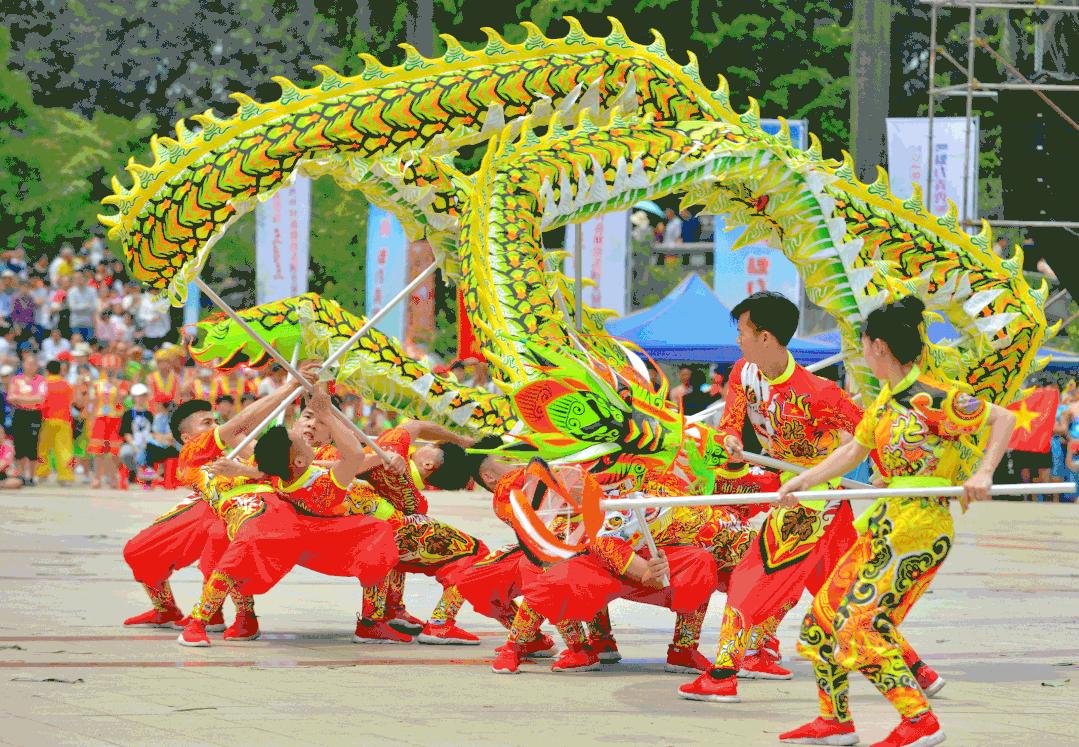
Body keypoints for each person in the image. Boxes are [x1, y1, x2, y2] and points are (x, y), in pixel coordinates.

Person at [776, 297, 1015, 747]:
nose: (862, 351)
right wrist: (801, 481)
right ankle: (835, 722)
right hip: (886, 524)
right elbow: (853, 452)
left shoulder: (928, 396)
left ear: (878, 346)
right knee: (821, 619)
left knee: (860, 628)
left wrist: (983, 473)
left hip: (919, 528)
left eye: (863, 343)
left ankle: (919, 722)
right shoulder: (886, 401)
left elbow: (1003, 417)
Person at [679, 291, 868, 702]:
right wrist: (729, 440)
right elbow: (730, 423)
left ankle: (724, 672)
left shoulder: (821, 394)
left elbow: (872, 434)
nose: (738, 341)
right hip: (785, 485)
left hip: (816, 498)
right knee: (846, 589)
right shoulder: (743, 373)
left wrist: (901, 477)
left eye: (742, 332)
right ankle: (915, 672)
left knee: (754, 575)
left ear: (765, 336)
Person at [178, 385, 399, 647]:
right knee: (227, 540)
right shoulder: (197, 456)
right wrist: (296, 388)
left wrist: (384, 457)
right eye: (307, 416)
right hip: (268, 516)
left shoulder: (315, 452)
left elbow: (344, 459)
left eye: (321, 421)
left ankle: (377, 620)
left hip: (311, 521)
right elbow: (244, 435)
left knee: (379, 533)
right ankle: (219, 618)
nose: (312, 425)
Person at [7, 351, 46, 485]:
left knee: (32, 445)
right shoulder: (16, 379)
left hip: (34, 415)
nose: (31, 366)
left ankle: (32, 476)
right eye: (28, 364)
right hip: (20, 414)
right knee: (20, 445)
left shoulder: (41, 380)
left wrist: (20, 398)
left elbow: (41, 399)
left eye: (33, 364)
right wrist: (30, 399)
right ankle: (21, 475)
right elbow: (11, 398)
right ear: (23, 365)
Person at [36, 360, 75, 485]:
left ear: (47, 371)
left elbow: (39, 402)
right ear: (60, 370)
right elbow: (72, 401)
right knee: (64, 450)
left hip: (47, 420)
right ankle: (65, 477)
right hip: (64, 420)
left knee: (42, 449)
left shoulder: (44, 384)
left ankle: (42, 474)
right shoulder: (67, 385)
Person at [118, 384, 154, 480]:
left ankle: (152, 476)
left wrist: (146, 444)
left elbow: (152, 432)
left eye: (143, 396)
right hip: (132, 444)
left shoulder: (149, 414)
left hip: (147, 444)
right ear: (134, 397)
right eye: (138, 396)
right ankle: (136, 472)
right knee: (125, 453)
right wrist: (135, 445)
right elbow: (126, 433)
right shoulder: (128, 414)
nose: (141, 398)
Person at [66, 271, 99, 342]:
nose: (79, 280)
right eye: (76, 278)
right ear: (74, 280)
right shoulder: (71, 292)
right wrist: (85, 306)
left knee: (89, 345)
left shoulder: (92, 291)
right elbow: (72, 308)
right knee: (77, 345)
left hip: (89, 323)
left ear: (85, 278)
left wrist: (79, 307)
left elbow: (94, 306)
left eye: (80, 278)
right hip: (76, 323)